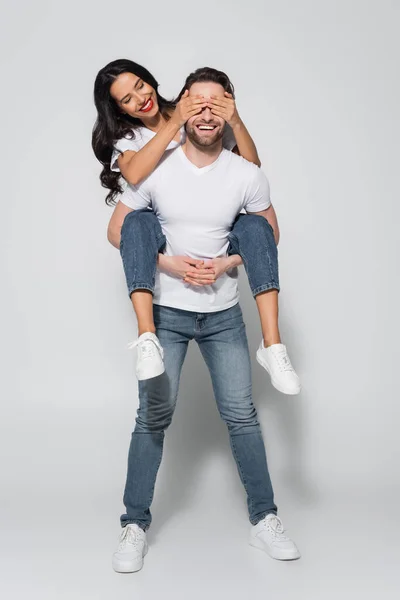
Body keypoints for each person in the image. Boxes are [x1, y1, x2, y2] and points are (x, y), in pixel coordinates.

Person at [107, 67, 301, 573]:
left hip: (222, 316)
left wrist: (227, 262)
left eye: (217, 104)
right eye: (199, 103)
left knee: (243, 417)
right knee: (152, 417)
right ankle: (134, 525)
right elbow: (120, 232)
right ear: (186, 108)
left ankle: (265, 519)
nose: (206, 112)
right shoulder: (153, 167)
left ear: (229, 109)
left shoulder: (244, 171)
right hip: (168, 311)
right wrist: (167, 262)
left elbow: (267, 233)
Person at [92, 60, 300, 394]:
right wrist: (175, 122)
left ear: (151, 80)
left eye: (141, 85)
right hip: (169, 240)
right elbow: (134, 177)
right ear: (118, 110)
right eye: (127, 99)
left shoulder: (196, 110)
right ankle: (147, 338)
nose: (140, 98)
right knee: (138, 220)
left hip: (217, 229)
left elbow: (250, 169)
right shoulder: (131, 136)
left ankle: (273, 346)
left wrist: (232, 117)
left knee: (255, 226)